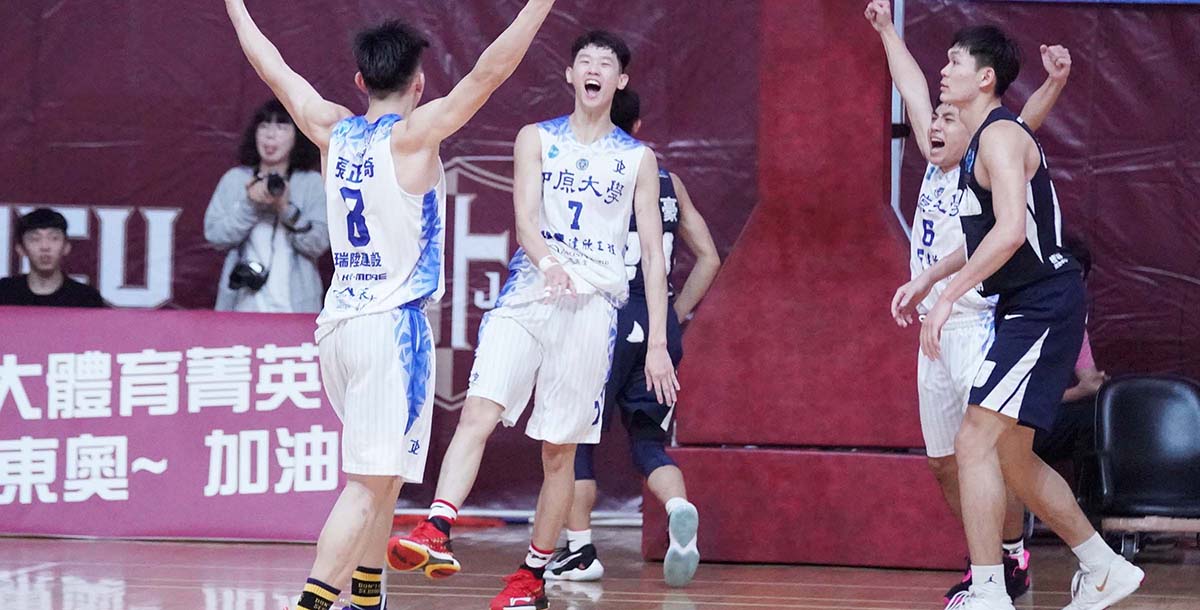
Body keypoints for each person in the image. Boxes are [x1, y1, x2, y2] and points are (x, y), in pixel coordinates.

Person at [223, 2, 556, 610]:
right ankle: (311, 603)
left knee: (384, 478)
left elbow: (272, 66)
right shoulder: (413, 137)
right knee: (366, 485)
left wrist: (237, 9)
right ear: (418, 83)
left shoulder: (330, 127)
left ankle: (367, 596)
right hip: (389, 329)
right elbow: (490, 70)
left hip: (339, 326)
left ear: (360, 80)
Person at [387, 30, 678, 610]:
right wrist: (548, 264)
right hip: (530, 294)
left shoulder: (637, 159)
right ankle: (437, 526)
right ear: (570, 75)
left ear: (619, 81)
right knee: (479, 409)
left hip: (593, 309)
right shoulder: (536, 138)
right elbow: (525, 220)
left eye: (605, 64)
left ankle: (531, 575)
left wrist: (657, 343)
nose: (593, 69)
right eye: (584, 61)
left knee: (558, 452)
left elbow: (652, 255)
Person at [893, 24, 1143, 610]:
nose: (943, 71)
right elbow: (987, 233)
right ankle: (1103, 567)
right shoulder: (981, 141)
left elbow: (1009, 233)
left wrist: (949, 296)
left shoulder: (1002, 136)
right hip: (1024, 304)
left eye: (954, 62)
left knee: (974, 439)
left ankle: (990, 588)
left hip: (1043, 303)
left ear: (984, 78)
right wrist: (930, 277)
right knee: (1010, 455)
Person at [867, 1, 1070, 602]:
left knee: (987, 451)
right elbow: (910, 84)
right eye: (932, 119)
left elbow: (1023, 120)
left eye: (948, 119)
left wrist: (1055, 84)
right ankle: (992, 553)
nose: (935, 125)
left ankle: (1006, 558)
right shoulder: (935, 164)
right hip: (934, 329)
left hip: (981, 320)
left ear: (972, 129)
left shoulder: (989, 152)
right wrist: (886, 30)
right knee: (943, 462)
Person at [544, 88, 720, 588]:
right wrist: (674, 315)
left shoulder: (586, 170)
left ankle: (580, 551)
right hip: (655, 322)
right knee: (648, 442)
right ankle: (679, 507)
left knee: (574, 440)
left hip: (600, 316)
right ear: (638, 127)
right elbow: (709, 257)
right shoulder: (668, 180)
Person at [204, 99, 329, 313]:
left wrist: (285, 208)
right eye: (264, 126)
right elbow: (215, 235)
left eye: (281, 127)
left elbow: (318, 244)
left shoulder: (311, 183)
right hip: (241, 307)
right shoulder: (235, 180)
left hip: (296, 308)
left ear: (297, 135)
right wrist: (250, 205)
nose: (270, 135)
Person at [0, 208, 105, 308]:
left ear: (66, 247)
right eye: (35, 239)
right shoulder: (4, 292)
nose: (45, 247)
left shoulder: (86, 298)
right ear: (20, 249)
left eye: (54, 238)